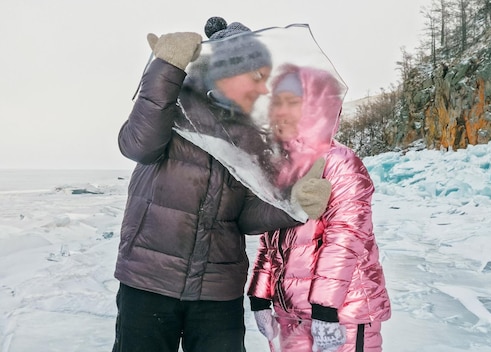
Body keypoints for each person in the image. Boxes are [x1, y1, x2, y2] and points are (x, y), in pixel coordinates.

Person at [112, 18, 331, 352]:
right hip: (149, 280)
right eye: (257, 77)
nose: (264, 88)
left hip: (217, 291)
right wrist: (166, 67)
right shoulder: (174, 109)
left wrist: (295, 205)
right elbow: (136, 145)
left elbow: (244, 216)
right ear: (228, 71)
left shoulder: (249, 137)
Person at [247, 64, 392, 352]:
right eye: (278, 102)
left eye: (293, 102)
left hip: (342, 315)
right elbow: (270, 240)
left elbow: (346, 236)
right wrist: (260, 296)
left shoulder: (340, 163)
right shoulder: (282, 167)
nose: (282, 111)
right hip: (290, 313)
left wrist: (326, 309)